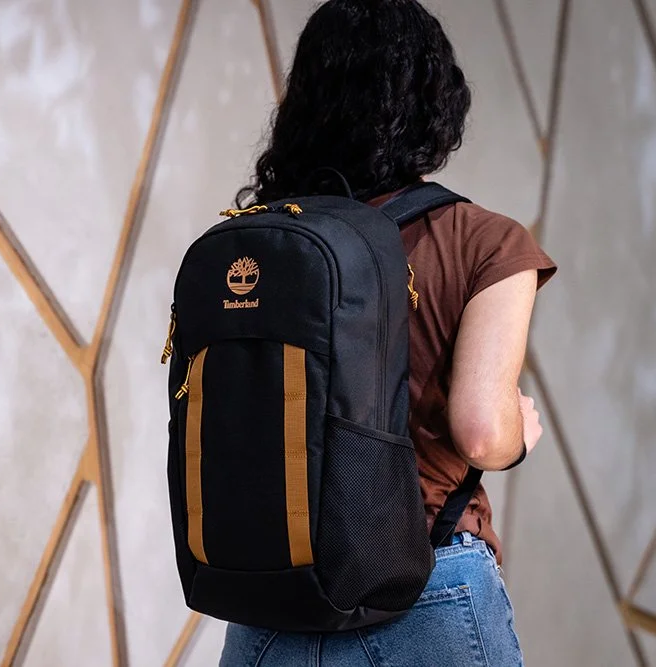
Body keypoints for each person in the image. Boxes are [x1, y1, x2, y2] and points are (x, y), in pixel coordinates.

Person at [220, 0, 556, 664]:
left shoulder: (263, 242)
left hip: (269, 598)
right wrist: (521, 430)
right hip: (427, 586)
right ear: (436, 103)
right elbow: (482, 431)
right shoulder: (483, 240)